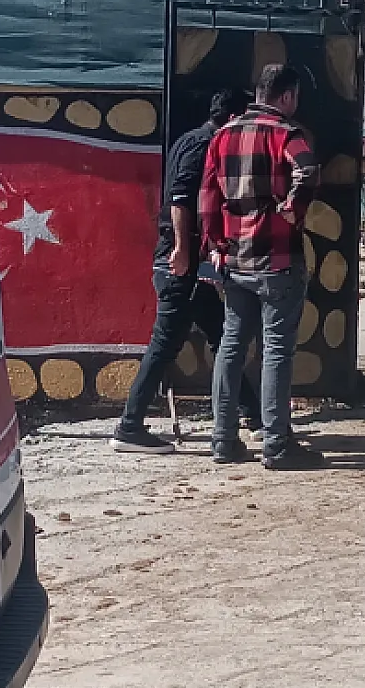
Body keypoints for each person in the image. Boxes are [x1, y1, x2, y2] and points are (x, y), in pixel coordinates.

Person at [111, 88, 260, 454]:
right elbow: (180, 199)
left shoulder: (193, 140)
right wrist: (182, 249)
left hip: (192, 265)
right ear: (231, 118)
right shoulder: (202, 145)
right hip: (182, 263)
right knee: (165, 344)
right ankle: (129, 426)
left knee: (221, 334)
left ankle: (254, 413)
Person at [200, 63, 325, 471]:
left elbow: (207, 196)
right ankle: (276, 444)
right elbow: (307, 170)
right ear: (286, 96)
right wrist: (292, 211)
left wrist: (217, 243)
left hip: (235, 260)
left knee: (232, 345)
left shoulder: (221, 136)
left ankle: (223, 440)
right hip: (279, 258)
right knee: (276, 351)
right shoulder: (286, 133)